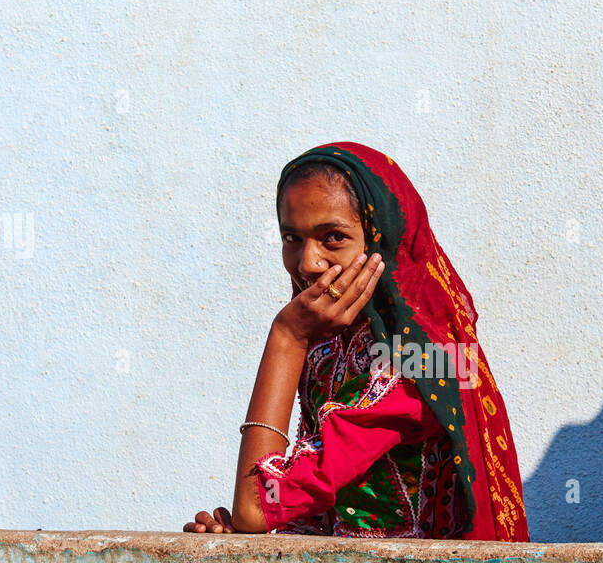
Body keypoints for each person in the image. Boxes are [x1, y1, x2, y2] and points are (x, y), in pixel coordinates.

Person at [183, 142, 528, 541]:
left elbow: (257, 505)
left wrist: (286, 338)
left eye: (333, 237)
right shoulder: (330, 344)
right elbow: (299, 508)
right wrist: (240, 525)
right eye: (291, 238)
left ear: (382, 240)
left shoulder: (425, 362)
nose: (308, 263)